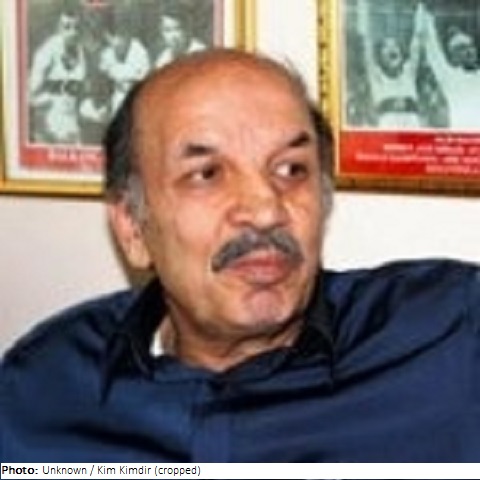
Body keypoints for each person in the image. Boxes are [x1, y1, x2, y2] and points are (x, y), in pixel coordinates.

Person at [2, 48, 480, 462]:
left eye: (291, 170)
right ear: (132, 226)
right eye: (206, 174)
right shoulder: (42, 388)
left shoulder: (451, 336)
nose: (266, 210)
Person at [352, 0, 423, 129]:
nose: (392, 48)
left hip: (413, 128)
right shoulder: (377, 78)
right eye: (386, 46)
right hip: (387, 130)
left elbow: (417, 41)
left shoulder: (408, 74)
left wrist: (420, 8)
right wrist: (363, 7)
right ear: (380, 57)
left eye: (395, 45)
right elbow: (365, 42)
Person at [28, 5, 87, 145]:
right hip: (49, 121)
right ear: (58, 28)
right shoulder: (47, 51)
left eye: (76, 27)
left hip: (72, 119)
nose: (73, 32)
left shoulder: (81, 50)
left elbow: (79, 87)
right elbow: (31, 92)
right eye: (67, 27)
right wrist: (46, 104)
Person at [420, 2, 480, 130]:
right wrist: (423, 12)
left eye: (471, 46)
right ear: (453, 57)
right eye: (462, 48)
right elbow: (431, 47)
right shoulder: (450, 77)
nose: (469, 51)